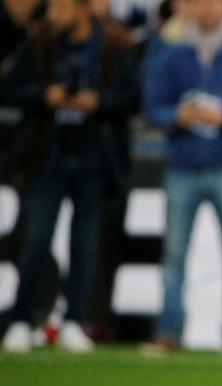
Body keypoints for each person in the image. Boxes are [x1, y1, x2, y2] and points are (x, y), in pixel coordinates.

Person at [0, 0, 138, 353]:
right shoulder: (38, 43)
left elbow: (132, 99)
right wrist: (43, 97)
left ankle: (75, 320)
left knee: (85, 247)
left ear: (80, 10)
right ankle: (21, 320)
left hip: (93, 160)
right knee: (35, 241)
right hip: (47, 160)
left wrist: (99, 103)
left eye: (60, 7)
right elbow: (8, 88)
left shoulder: (113, 46)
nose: (51, 15)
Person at [142, 0, 222, 352]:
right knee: (174, 256)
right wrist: (177, 116)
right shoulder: (172, 56)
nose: (209, 9)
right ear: (191, 8)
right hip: (183, 167)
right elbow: (151, 108)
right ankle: (168, 331)